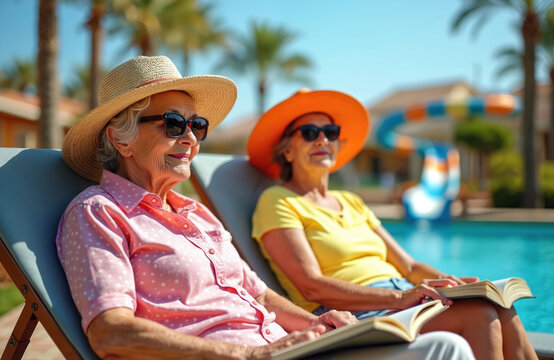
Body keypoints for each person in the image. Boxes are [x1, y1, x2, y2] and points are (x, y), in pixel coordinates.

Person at [56, 56, 475, 360]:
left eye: (196, 125)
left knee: (447, 346)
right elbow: (111, 332)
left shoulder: (196, 215)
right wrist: (247, 355)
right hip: (238, 357)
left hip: (286, 349)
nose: (190, 139)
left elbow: (260, 294)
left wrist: (315, 325)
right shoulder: (99, 212)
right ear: (121, 138)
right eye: (173, 124)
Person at [249, 89, 537, 360]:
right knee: (480, 314)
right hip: (353, 314)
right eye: (310, 133)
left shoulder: (350, 200)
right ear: (287, 151)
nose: (323, 140)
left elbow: (409, 267)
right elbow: (311, 286)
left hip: (400, 299)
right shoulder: (277, 201)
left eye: (331, 132)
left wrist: (454, 284)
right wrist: (400, 297)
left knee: (500, 304)